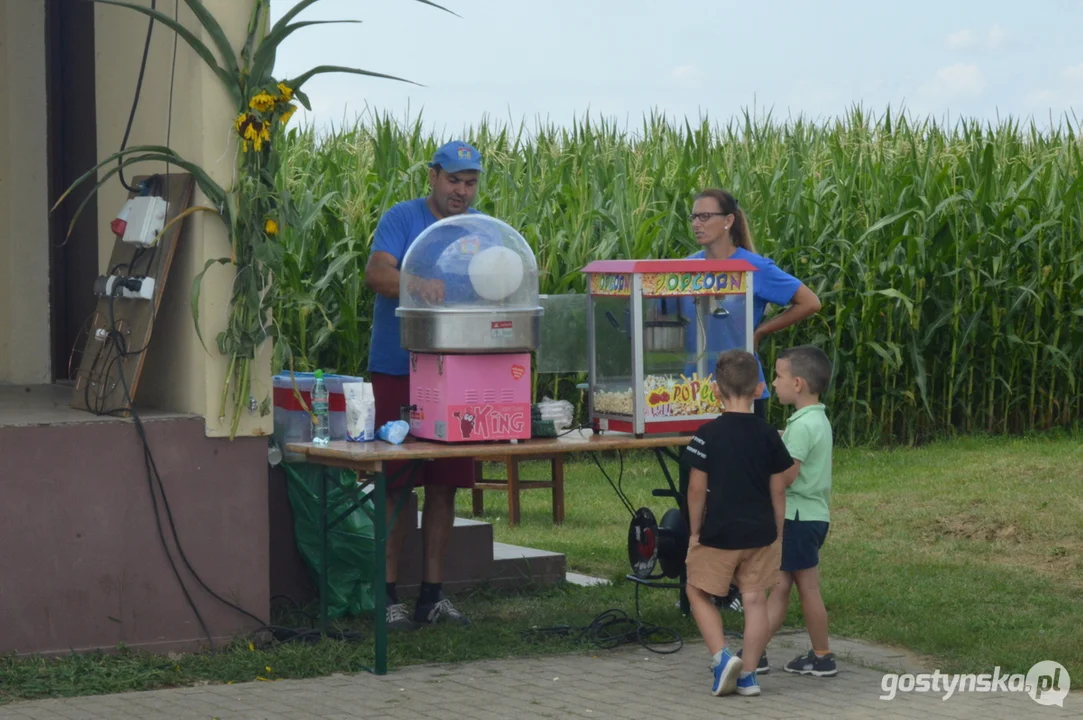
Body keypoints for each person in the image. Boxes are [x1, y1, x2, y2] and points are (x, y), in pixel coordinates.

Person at [363, 140, 484, 630]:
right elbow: (376, 274)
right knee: (396, 486)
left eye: (470, 182)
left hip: (456, 371)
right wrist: (418, 284)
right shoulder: (402, 217)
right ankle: (387, 596)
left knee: (444, 486)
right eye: (453, 180)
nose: (461, 191)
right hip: (398, 369)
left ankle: (432, 597)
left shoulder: (477, 231)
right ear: (432, 176)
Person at [681, 349, 797, 697]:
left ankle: (721, 658)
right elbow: (779, 489)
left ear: (715, 390)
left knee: (696, 590)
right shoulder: (768, 435)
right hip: (760, 532)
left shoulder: (706, 435)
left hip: (718, 533)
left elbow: (696, 488)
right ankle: (748, 675)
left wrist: (695, 531)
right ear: (760, 388)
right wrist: (777, 531)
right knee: (755, 600)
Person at [682, 188, 822, 419]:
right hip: (691, 387)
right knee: (694, 455)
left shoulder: (754, 268)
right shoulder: (684, 268)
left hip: (741, 388)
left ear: (728, 220)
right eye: (694, 217)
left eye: (705, 216)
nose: (697, 223)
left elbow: (810, 302)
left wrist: (760, 331)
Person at [760, 344, 838, 676]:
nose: (773, 383)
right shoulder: (817, 419)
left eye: (778, 376)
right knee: (798, 587)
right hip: (813, 517)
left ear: (798, 384)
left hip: (796, 519)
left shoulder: (803, 426)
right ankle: (819, 655)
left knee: (782, 589)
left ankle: (755, 652)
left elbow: (787, 476)